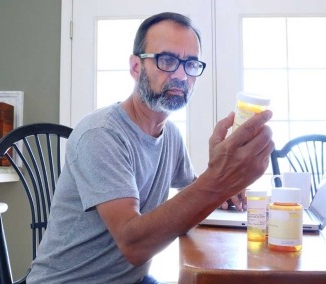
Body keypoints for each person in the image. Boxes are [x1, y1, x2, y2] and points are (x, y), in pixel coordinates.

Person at [27, 12, 273, 284]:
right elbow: (134, 245)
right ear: (135, 67)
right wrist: (218, 179)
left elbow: (192, 197)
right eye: (167, 60)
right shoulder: (100, 134)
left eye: (191, 64)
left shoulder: (171, 136)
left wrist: (227, 187)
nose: (181, 74)